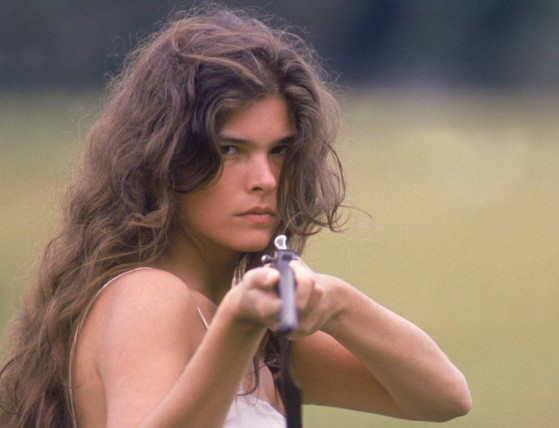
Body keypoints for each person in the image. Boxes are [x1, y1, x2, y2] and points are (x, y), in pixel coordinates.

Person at [0, 5, 471, 428]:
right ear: (166, 157)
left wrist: (335, 301)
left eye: (279, 151)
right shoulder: (151, 296)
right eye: (230, 150)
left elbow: (443, 398)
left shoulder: (255, 332)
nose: (265, 179)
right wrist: (237, 327)